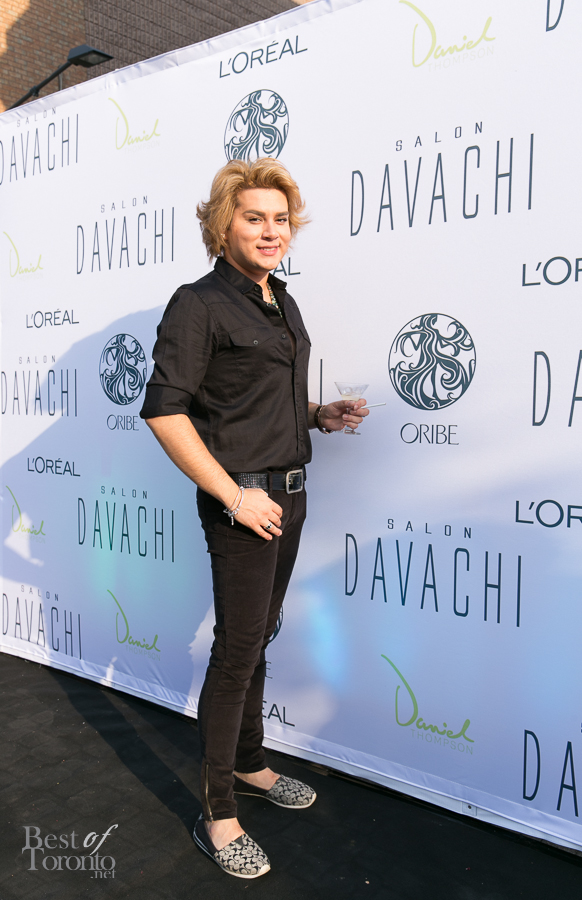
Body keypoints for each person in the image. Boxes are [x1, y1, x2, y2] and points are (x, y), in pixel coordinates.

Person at [140, 157, 368, 879]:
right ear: (223, 226)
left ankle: (249, 763)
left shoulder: (281, 299)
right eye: (254, 218)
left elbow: (253, 399)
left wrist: (318, 415)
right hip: (243, 506)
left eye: (281, 219)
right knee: (237, 650)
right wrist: (234, 496)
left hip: (289, 497)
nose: (272, 231)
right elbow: (165, 412)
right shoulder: (198, 303)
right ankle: (218, 813)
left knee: (257, 637)